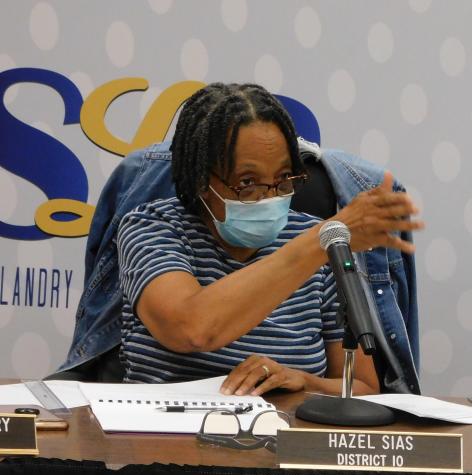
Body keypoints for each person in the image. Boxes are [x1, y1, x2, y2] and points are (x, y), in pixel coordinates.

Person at [113, 82, 422, 396]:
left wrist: (302, 381)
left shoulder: (318, 243)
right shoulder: (152, 227)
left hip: (284, 436)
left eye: (284, 179)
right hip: (166, 436)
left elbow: (363, 387)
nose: (270, 197)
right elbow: (190, 328)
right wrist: (317, 243)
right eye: (248, 182)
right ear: (202, 182)